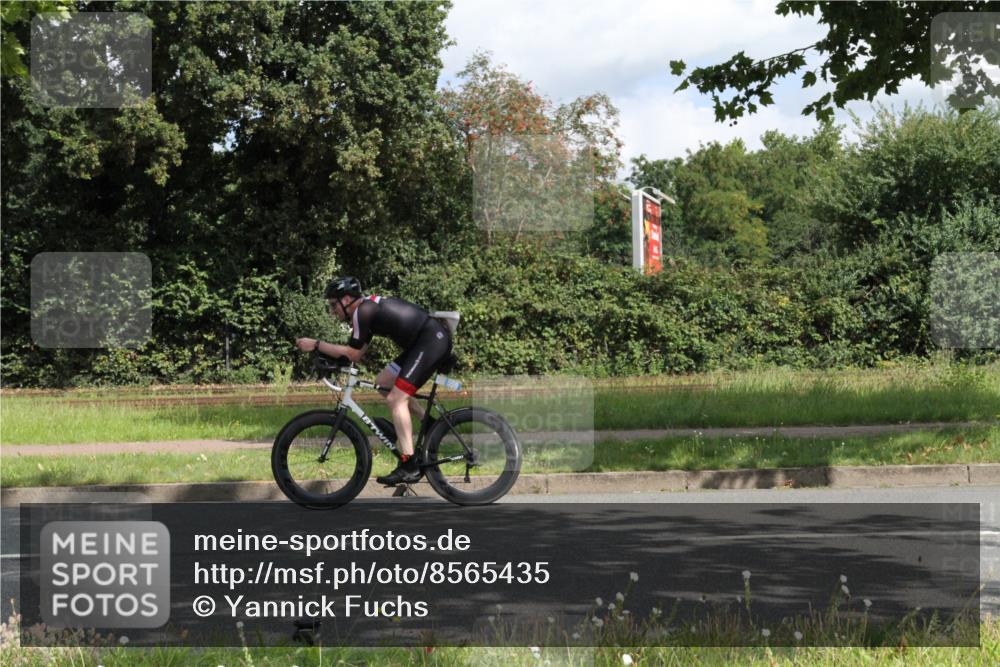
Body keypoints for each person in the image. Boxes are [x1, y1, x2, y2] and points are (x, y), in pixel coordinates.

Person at [295, 276, 451, 486]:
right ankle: (429, 424)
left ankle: (409, 465)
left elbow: (351, 353)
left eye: (334, 305)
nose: (333, 311)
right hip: (423, 341)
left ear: (347, 299)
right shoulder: (366, 310)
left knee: (397, 399)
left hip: (431, 341)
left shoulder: (363, 311)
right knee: (384, 381)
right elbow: (357, 355)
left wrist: (316, 344)